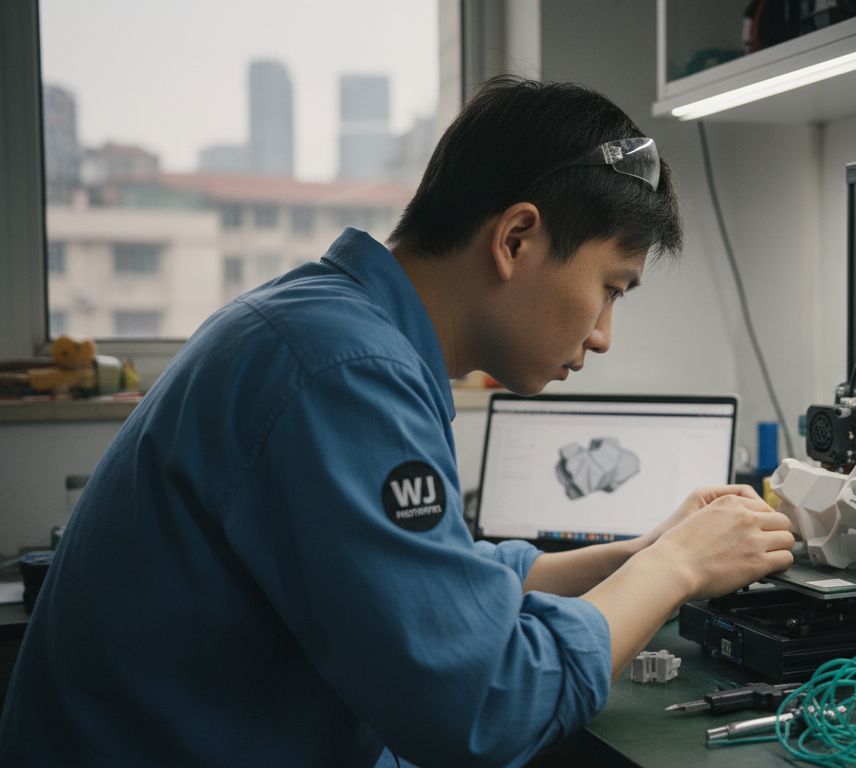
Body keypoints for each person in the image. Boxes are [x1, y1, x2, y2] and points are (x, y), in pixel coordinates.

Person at [0, 77, 795, 766]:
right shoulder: (347, 372)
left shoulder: (327, 326)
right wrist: (676, 569)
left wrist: (640, 552)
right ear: (516, 238)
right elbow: (484, 705)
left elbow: (432, 585)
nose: (602, 336)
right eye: (611, 288)